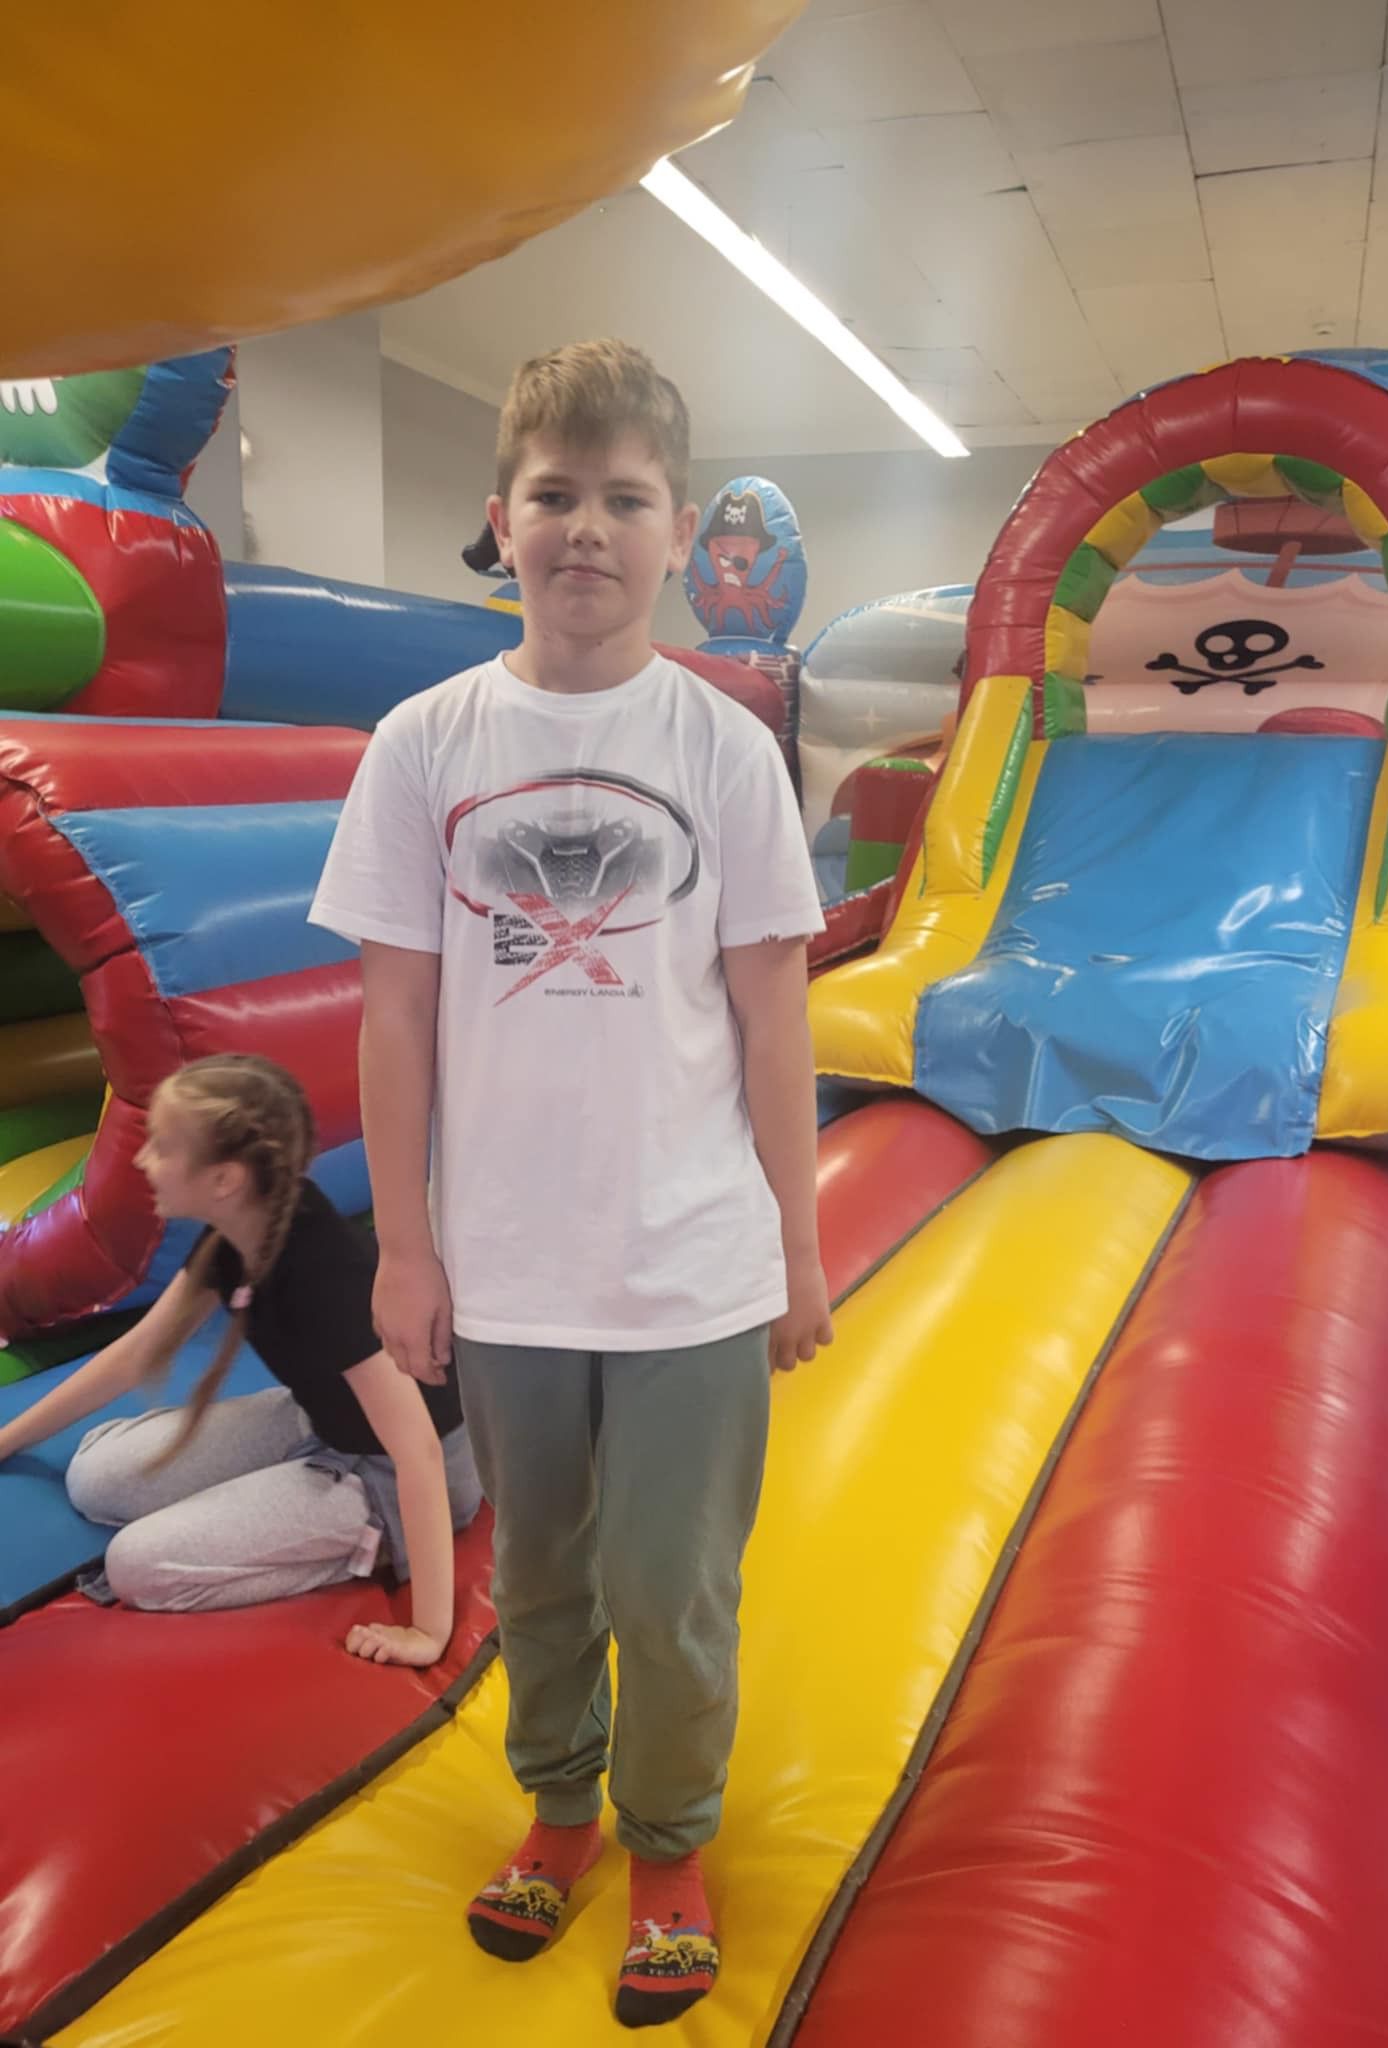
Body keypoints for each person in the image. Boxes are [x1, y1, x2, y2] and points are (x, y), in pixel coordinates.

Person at [309, 338, 832, 2027]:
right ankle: (559, 1806)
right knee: (539, 1569)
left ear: (677, 532)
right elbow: (395, 1014)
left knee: (669, 1588)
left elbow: (772, 1012)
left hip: (689, 1256)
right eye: (555, 494)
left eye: (624, 498)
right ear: (502, 518)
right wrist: (405, 1248)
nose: (586, 528)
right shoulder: (426, 740)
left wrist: (799, 1244)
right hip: (510, 1259)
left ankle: (668, 1841)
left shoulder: (724, 746)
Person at [0, 1054, 481, 1664]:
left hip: (396, 1472)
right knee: (95, 1477)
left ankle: (358, 1541)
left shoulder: (326, 1277)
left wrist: (428, 1632)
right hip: (317, 1422)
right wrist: (8, 1439)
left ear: (224, 1178)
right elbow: (135, 1355)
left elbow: (419, 1452)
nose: (143, 1161)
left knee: (135, 1567)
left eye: (162, 1147)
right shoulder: (239, 1232)